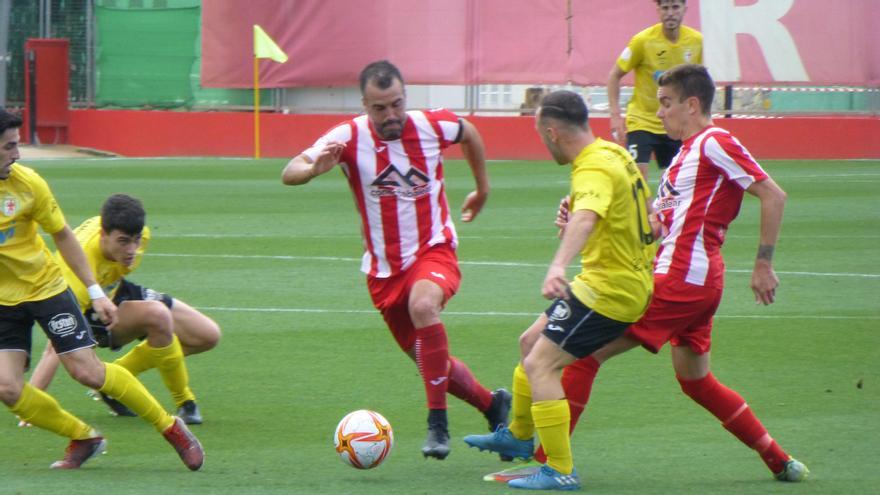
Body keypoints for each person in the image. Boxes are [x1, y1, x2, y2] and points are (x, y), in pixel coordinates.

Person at [479, 65, 809, 485]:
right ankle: (780, 460)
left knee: (578, 355)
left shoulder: (714, 141)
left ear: (693, 105)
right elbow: (652, 228)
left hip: (678, 280)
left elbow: (772, 194)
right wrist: (583, 222)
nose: (660, 114)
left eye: (667, 104)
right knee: (696, 381)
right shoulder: (681, 161)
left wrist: (764, 262)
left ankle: (550, 464)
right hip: (696, 283)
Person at [281, 60, 511, 459]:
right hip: (383, 272)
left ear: (406, 97)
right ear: (364, 105)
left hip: (433, 250)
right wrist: (312, 171)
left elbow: (468, 132)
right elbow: (290, 171)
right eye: (380, 108)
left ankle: (437, 425)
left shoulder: (430, 126)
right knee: (429, 362)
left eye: (396, 104)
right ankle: (493, 406)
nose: (390, 116)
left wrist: (482, 188)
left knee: (424, 306)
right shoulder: (349, 136)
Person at [465, 89, 656, 490]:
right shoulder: (613, 152)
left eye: (540, 136)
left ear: (552, 132)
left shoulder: (593, 169)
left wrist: (557, 264)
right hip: (613, 280)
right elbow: (645, 218)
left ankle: (561, 469)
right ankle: (517, 437)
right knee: (530, 341)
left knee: (541, 365)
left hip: (611, 290)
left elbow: (586, 217)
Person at [0, 110, 204, 470]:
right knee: (7, 388)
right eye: (9, 147)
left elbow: (62, 234)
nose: (17, 154)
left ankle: (171, 427)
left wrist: (94, 289)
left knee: (88, 372)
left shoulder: (28, 184)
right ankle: (84, 437)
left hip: (45, 288)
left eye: (16, 145)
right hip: (3, 301)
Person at [23, 193, 221, 425]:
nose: (132, 250)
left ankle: (114, 379)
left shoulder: (137, 236)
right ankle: (186, 402)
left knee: (207, 335)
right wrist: (30, 405)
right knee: (158, 316)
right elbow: (54, 347)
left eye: (136, 240)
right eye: (124, 241)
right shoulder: (76, 274)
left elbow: (123, 258)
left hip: (114, 291)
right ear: (103, 235)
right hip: (87, 311)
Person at [607, 0, 702, 181]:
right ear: (658, 10)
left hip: (675, 124)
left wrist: (697, 118)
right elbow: (614, 76)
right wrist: (615, 115)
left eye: (675, 7)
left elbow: (700, 83)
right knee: (636, 179)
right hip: (641, 121)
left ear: (684, 10)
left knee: (674, 184)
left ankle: (662, 209)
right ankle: (645, 210)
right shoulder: (642, 41)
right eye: (665, 8)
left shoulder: (697, 42)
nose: (670, 13)